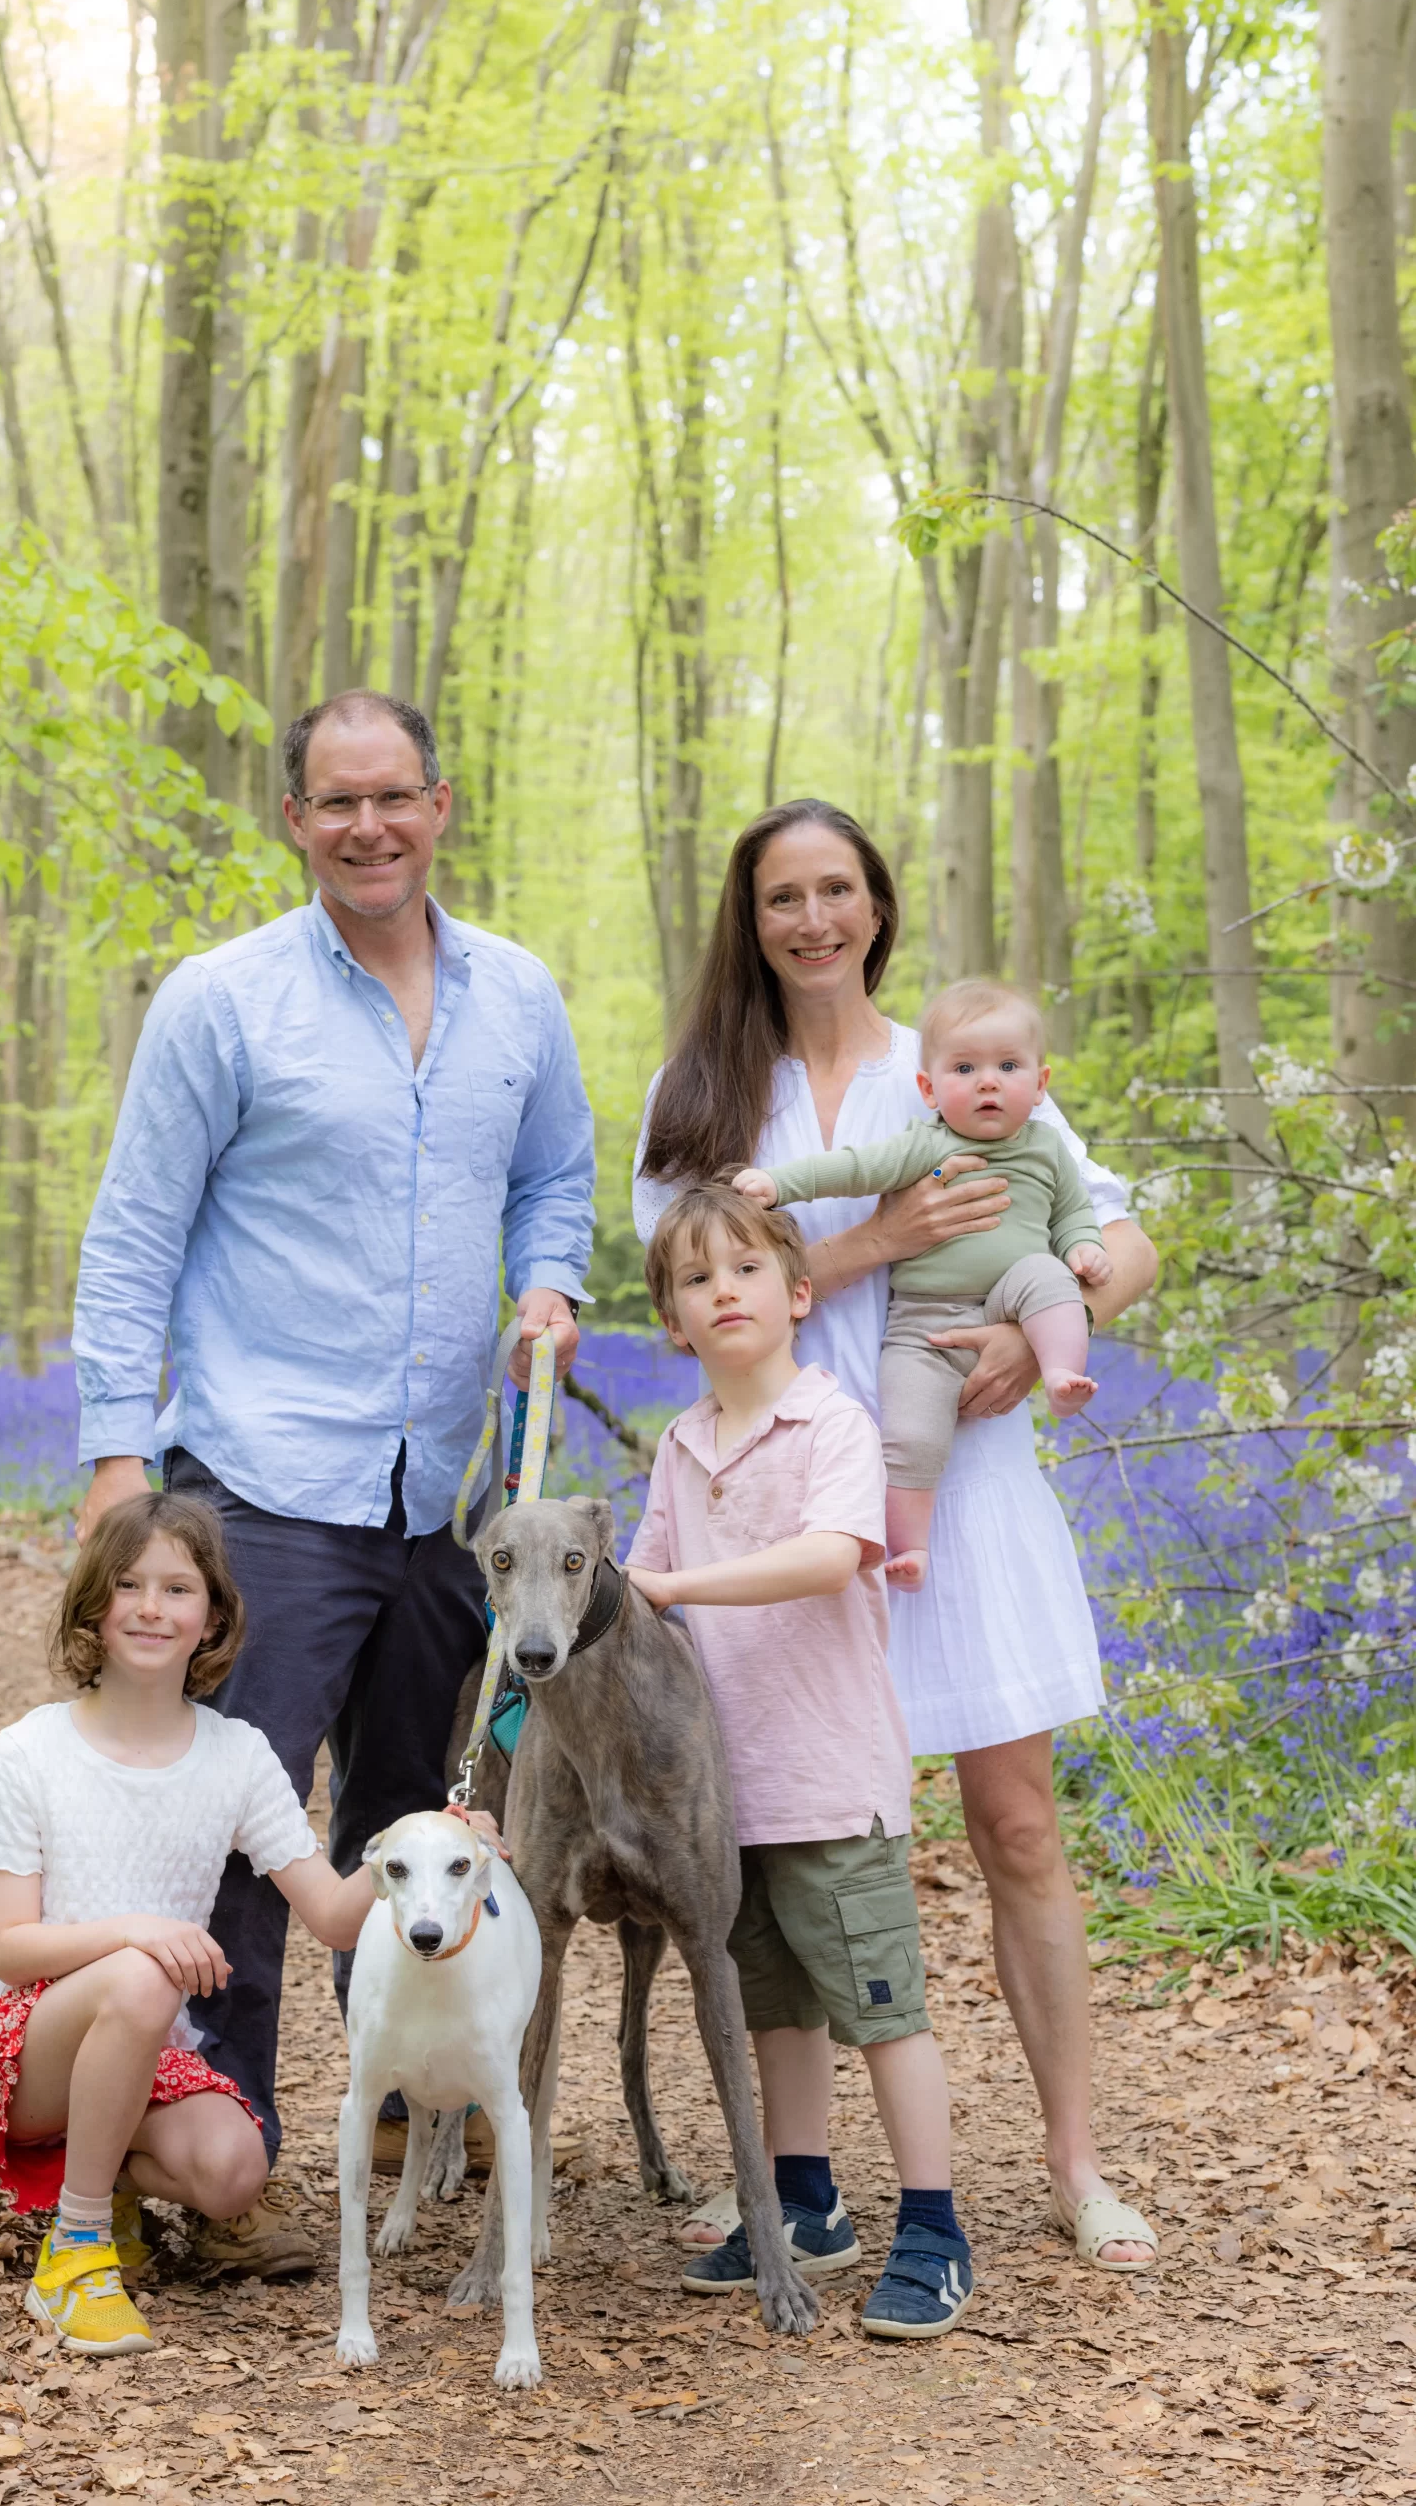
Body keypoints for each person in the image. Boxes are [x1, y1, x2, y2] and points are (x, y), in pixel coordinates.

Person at [71, 688, 595, 2272]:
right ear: (295, 819)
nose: (368, 826)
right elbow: (134, 1231)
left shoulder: (517, 997)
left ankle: (410, 2108)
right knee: (236, 1826)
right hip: (260, 1483)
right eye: (335, 802)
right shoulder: (223, 1002)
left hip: (444, 1494)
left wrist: (547, 1281)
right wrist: (113, 1455)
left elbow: (554, 1178)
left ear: (440, 803)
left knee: (414, 1811)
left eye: (393, 796)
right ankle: (207, 2152)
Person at [635, 799, 1161, 2275]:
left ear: (875, 905)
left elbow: (1121, 1238)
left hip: (957, 1490)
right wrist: (869, 1240)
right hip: (782, 1503)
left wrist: (1037, 1339)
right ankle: (792, 2177)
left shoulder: (953, 1064)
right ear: (749, 920)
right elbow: (678, 1281)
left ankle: (1072, 2162)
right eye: (781, 897)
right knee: (782, 1840)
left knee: (1016, 1825)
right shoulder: (702, 1092)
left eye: (836, 890)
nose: (812, 920)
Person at [625, 1183, 975, 2336]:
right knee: (774, 2008)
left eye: (746, 1269)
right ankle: (805, 2202)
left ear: (798, 1293)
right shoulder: (680, 1445)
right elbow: (634, 1599)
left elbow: (830, 1556)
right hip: (728, 1796)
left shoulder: (832, 1423)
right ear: (672, 1319)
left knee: (882, 2009)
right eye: (695, 1278)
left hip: (828, 1779)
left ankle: (934, 2228)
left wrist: (675, 1585)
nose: (723, 1291)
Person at [0, 1494, 366, 2356]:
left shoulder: (236, 1755)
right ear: (93, 1605)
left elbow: (332, 1916)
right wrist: (134, 1930)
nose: (150, 1608)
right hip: (26, 2045)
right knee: (143, 1976)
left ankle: (107, 2177)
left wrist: (419, 1846)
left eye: (178, 1589)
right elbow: (10, 1949)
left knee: (234, 2170)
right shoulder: (32, 1749)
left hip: (145, 2048)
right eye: (129, 1584)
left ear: (211, 1618)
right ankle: (76, 2251)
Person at [736, 977, 1110, 1589]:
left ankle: (1063, 1374)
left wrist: (1084, 1248)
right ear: (929, 1090)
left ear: (1040, 1084)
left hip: (1010, 1301)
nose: (988, 1082)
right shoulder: (927, 1144)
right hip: (923, 1326)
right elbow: (854, 1170)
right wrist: (781, 1185)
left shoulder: (1046, 1148)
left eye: (1008, 1066)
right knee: (909, 1434)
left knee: (1049, 1276)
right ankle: (910, 1548)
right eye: (965, 1068)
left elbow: (1073, 1213)